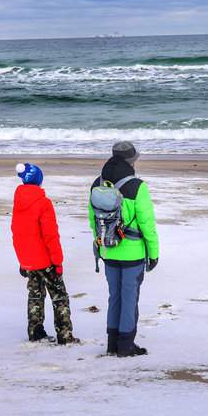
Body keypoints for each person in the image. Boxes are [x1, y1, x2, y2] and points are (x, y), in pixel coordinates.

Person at [89, 142, 160, 357]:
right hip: (133, 253)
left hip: (109, 250)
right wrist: (154, 253)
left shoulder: (97, 183)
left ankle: (112, 344)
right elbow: (147, 224)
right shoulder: (138, 186)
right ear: (131, 161)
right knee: (129, 299)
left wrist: (101, 243)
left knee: (114, 297)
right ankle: (126, 345)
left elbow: (94, 220)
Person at [11, 162, 79, 345]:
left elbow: (17, 233)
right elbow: (51, 235)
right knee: (59, 296)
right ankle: (65, 336)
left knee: (35, 295)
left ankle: (35, 331)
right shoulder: (43, 203)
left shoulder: (18, 203)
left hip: (29, 260)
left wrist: (22, 261)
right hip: (46, 260)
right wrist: (57, 262)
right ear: (39, 181)